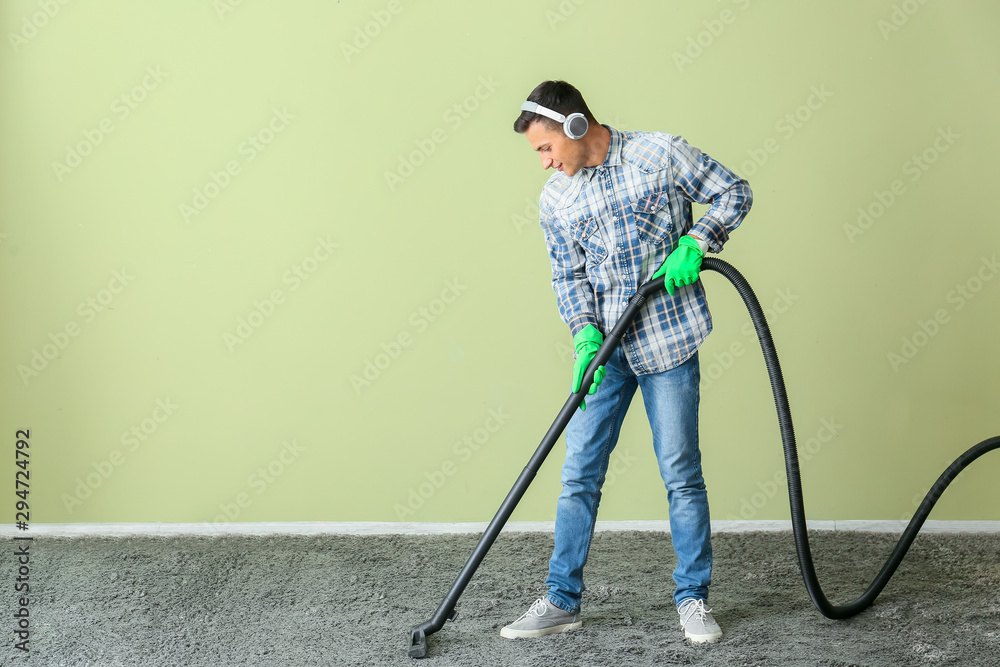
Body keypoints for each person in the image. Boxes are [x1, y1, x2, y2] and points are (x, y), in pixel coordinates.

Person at [501, 80, 752, 644]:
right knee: (578, 475)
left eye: (545, 149)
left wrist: (697, 240)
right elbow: (568, 276)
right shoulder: (555, 200)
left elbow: (734, 192)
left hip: (668, 341)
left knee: (681, 474)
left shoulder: (658, 155)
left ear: (573, 127)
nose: (544, 164)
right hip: (606, 353)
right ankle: (562, 600)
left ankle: (693, 599)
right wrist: (584, 335)